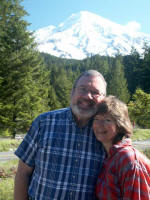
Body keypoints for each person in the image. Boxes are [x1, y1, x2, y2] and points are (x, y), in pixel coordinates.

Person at [14, 70, 107, 200]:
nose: (88, 96)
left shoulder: (108, 131)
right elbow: (23, 174)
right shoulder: (44, 123)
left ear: (104, 99)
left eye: (95, 92)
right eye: (83, 89)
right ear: (72, 92)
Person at [93, 95, 150, 200]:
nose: (99, 125)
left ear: (120, 126)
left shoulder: (128, 158)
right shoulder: (109, 156)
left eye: (107, 120)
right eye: (96, 118)